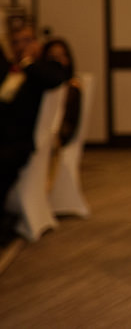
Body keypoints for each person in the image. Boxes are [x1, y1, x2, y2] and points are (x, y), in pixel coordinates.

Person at [1, 21, 71, 243]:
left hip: (17, 143)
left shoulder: (45, 67)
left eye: (27, 40)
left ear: (37, 43)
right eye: (16, 42)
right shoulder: (9, 70)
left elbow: (58, 78)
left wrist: (28, 62)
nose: (21, 46)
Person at [41, 39, 82, 148]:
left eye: (61, 56)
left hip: (55, 135)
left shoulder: (71, 88)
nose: (57, 61)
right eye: (52, 57)